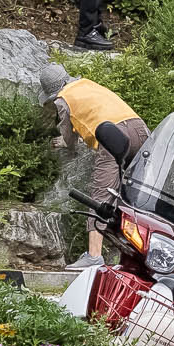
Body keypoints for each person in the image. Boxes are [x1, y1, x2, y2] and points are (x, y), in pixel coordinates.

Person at [39, 63, 149, 267]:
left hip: (113, 135)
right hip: (140, 129)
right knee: (140, 194)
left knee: (101, 196)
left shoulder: (64, 99)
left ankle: (94, 256)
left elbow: (68, 136)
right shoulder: (87, 84)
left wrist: (65, 143)